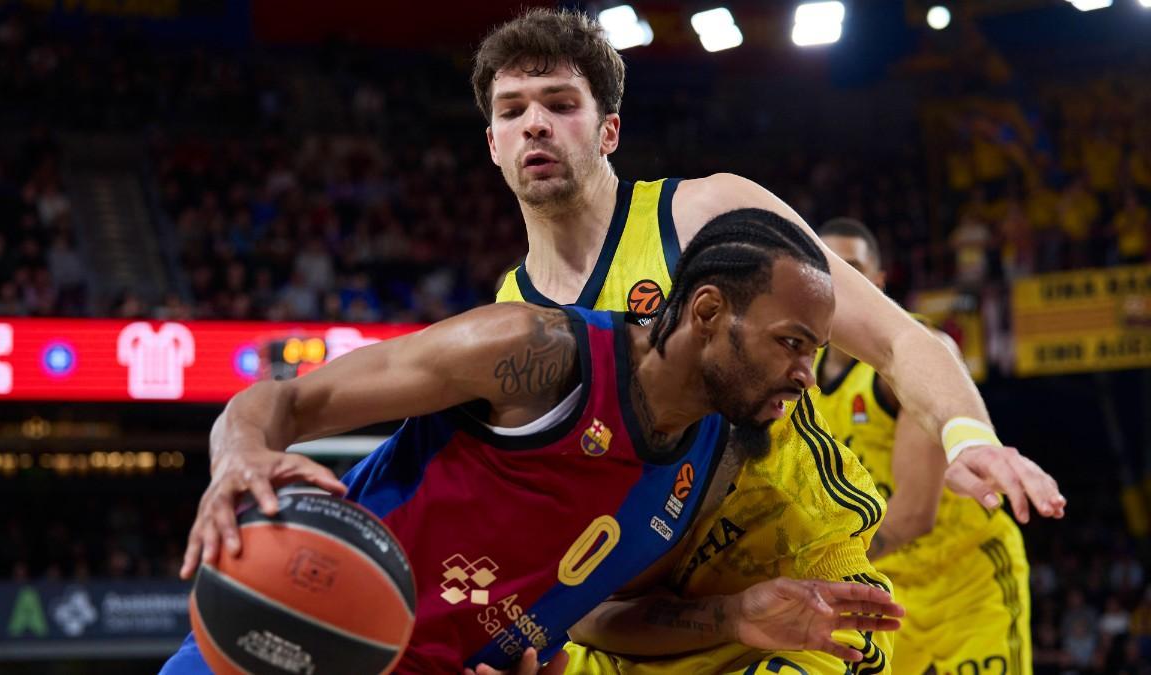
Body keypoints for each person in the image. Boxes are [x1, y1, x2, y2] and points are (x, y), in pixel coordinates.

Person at [187, 8, 1063, 673]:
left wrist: (967, 436)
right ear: (489, 143)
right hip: (642, 604)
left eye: (560, 104)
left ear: (607, 130)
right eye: (514, 109)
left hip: (796, 565)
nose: (536, 123)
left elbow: (909, 341)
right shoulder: (511, 324)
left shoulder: (707, 213)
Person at [162, 210, 904, 674]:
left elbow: (591, 616)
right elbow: (289, 400)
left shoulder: (713, 464)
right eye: (791, 343)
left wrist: (735, 617)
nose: (808, 374)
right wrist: (239, 453)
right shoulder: (535, 350)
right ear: (709, 310)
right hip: (285, 628)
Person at [813, 218, 1031, 675]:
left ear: (876, 281)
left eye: (852, 268)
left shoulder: (910, 357)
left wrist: (811, 570)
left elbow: (913, 516)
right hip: (888, 585)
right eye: (825, 266)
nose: (838, 281)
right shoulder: (796, 366)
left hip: (966, 577)